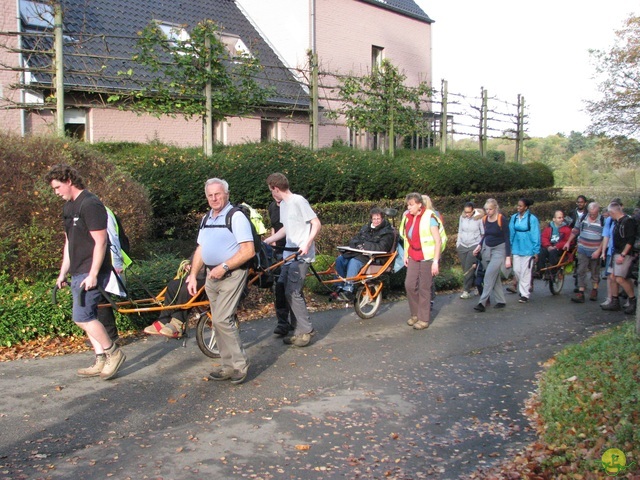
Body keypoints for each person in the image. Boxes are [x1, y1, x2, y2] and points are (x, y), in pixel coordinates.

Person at [45, 164, 126, 380]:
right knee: (86, 316)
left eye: (58, 187)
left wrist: (93, 274)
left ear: (69, 181)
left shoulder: (91, 204)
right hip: (78, 270)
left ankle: (113, 352)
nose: (56, 192)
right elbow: (69, 242)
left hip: (92, 270)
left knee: (82, 317)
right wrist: (63, 272)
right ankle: (100, 359)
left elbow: (101, 242)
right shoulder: (68, 208)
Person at [187, 178, 254, 385]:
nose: (214, 198)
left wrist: (224, 267)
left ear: (227, 194)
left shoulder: (236, 217)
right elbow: (200, 248)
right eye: (210, 195)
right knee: (216, 321)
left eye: (218, 194)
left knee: (223, 319)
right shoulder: (207, 218)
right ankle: (227, 366)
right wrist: (192, 275)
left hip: (231, 274)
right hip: (211, 275)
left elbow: (248, 251)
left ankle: (240, 365)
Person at [263, 173, 321, 347]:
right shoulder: (284, 206)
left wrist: (307, 244)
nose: (272, 194)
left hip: (301, 255)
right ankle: (297, 330)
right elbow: (286, 230)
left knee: (293, 291)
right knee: (283, 288)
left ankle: (306, 330)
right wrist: (267, 241)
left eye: (271, 190)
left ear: (275, 188)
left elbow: (316, 223)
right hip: (289, 254)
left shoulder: (298, 201)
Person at [399, 192, 442, 330]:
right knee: (409, 285)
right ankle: (415, 314)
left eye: (411, 205)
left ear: (419, 204)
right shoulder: (407, 217)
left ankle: (423, 318)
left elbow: (438, 240)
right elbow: (407, 238)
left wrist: (435, 261)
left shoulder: (430, 217)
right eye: (408, 205)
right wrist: (406, 254)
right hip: (413, 255)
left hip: (427, 257)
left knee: (424, 287)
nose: (409, 207)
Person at [335, 207, 395, 299]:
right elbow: (354, 240)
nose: (376, 221)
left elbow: (382, 247)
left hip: (375, 258)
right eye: (374, 218)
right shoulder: (365, 228)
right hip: (360, 253)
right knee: (340, 259)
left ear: (382, 219)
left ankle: (349, 289)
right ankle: (339, 286)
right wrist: (358, 245)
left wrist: (364, 245)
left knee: (354, 262)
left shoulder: (387, 232)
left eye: (378, 218)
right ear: (371, 219)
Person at [143, 255, 206, 338]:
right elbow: (196, 255)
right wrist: (187, 263)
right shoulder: (204, 244)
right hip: (194, 277)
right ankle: (164, 320)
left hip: (208, 280)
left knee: (187, 288)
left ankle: (177, 324)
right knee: (172, 285)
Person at [95, 206, 131, 345]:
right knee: (102, 298)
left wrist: (117, 265)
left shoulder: (101, 212)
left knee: (102, 299)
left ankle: (110, 336)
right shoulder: (101, 211)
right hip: (107, 262)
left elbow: (112, 238)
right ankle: (108, 335)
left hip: (111, 262)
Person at [473, 199, 511, 312]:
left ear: (495, 209)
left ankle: (482, 302)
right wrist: (479, 246)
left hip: (500, 249)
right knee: (494, 276)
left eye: (490, 209)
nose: (488, 211)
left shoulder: (501, 219)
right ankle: (501, 300)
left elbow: (507, 238)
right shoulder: (485, 219)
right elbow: (485, 235)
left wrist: (508, 257)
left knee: (489, 275)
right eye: (486, 209)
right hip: (487, 248)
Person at [267, 199, 297, 337]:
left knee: (292, 289)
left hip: (293, 250)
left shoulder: (292, 205)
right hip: (278, 251)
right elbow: (274, 227)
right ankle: (282, 323)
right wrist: (271, 242)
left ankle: (296, 322)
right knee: (279, 287)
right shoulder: (272, 207)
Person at [564, 202, 604, 303]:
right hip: (582, 249)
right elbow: (575, 230)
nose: (592, 215)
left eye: (594, 214)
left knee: (595, 271)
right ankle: (581, 292)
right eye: (590, 213)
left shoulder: (603, 220)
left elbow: (605, 238)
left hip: (595, 250)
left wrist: (599, 251)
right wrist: (568, 242)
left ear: (598, 211)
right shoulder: (583, 218)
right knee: (581, 270)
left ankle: (594, 289)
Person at [601, 202, 637, 314]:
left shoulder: (628, 222)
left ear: (612, 212)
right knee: (612, 277)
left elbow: (630, 240)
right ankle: (614, 300)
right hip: (615, 252)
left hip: (623, 254)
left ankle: (632, 300)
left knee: (620, 278)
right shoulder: (616, 222)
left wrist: (623, 254)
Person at [509, 198, 540, 303]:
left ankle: (524, 294)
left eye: (520, 206)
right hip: (517, 248)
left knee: (525, 272)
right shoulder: (514, 218)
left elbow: (535, 235)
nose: (518, 208)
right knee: (517, 270)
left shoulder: (532, 219)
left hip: (528, 248)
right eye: (517, 205)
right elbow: (511, 233)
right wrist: (509, 247)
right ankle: (523, 289)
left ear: (526, 207)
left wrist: (536, 250)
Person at [456, 202, 484, 299]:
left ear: (473, 210)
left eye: (469, 212)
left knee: (468, 268)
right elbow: (460, 231)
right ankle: (477, 284)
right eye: (465, 212)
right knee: (466, 268)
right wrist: (458, 244)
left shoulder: (478, 218)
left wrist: (479, 245)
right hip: (462, 245)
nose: (467, 214)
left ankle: (466, 290)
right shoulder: (462, 217)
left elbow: (482, 233)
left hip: (473, 245)